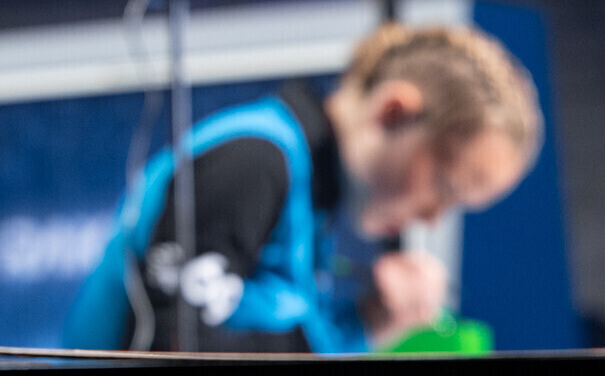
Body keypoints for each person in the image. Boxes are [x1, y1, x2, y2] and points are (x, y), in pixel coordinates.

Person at [63, 23, 544, 354]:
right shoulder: (255, 162)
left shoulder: (306, 186)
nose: (434, 217)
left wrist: (370, 321)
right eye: (443, 187)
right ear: (393, 112)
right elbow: (179, 349)